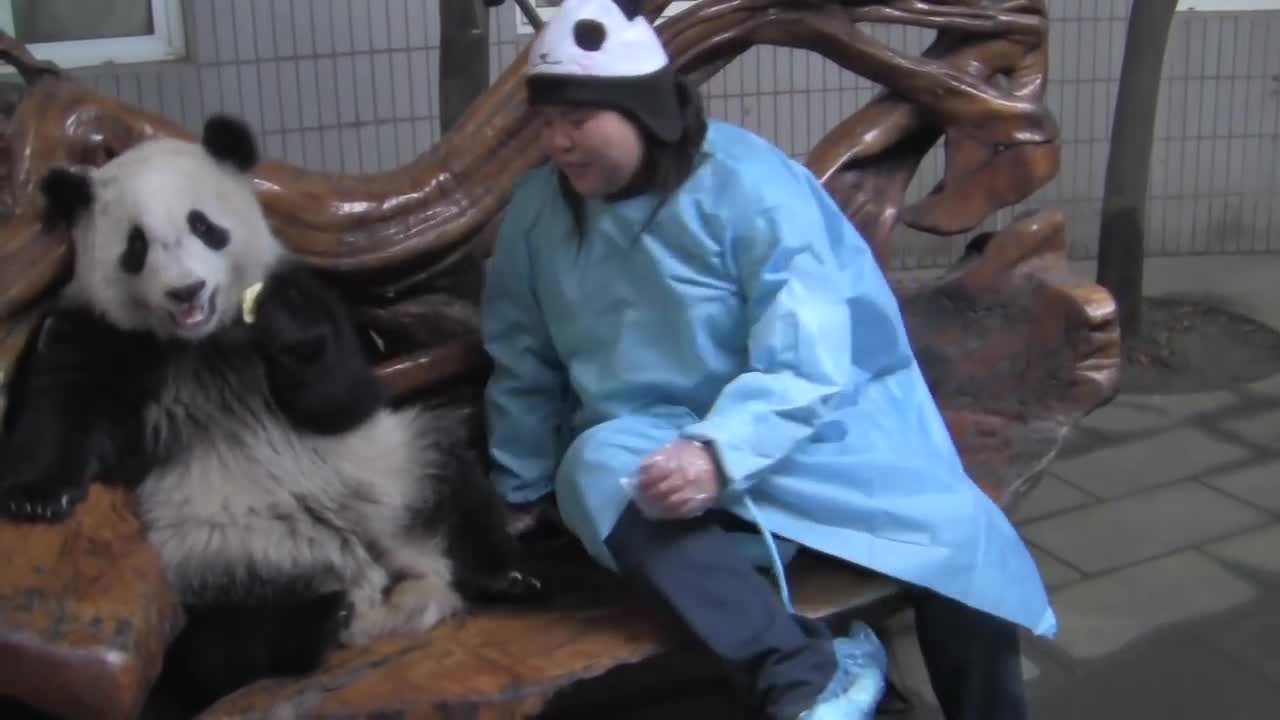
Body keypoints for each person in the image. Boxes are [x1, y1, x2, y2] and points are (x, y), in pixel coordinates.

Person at [480, 1, 1055, 718]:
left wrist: (720, 452)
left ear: (643, 109)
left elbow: (807, 353)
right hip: (649, 448)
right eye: (548, 122)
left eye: (577, 118)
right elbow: (524, 360)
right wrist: (520, 484)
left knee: (961, 534)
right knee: (596, 466)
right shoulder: (538, 213)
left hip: (803, 435)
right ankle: (800, 669)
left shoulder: (749, 182)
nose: (559, 141)